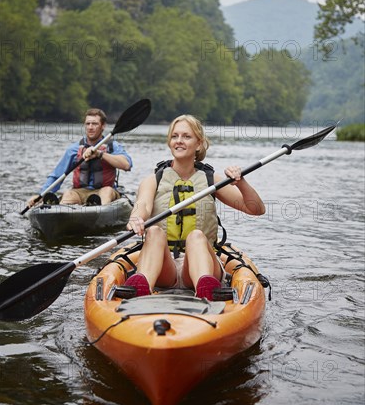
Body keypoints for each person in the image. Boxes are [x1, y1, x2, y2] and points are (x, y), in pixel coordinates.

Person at [126, 114, 265, 300]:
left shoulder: (211, 180)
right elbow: (142, 204)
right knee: (153, 232)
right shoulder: (153, 180)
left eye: (186, 136)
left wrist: (241, 182)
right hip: (165, 268)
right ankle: (141, 290)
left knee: (196, 236)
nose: (179, 141)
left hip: (202, 265)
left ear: (199, 144)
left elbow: (256, 209)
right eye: (174, 136)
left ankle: (205, 291)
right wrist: (136, 218)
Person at [27, 108, 132, 207]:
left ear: (103, 126)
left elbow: (127, 165)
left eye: (95, 124)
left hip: (104, 191)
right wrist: (40, 195)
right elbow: (56, 176)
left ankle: (99, 212)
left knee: (107, 191)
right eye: (88, 124)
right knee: (68, 193)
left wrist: (100, 154)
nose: (90, 127)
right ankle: (62, 213)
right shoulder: (74, 149)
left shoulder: (112, 146)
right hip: (79, 192)